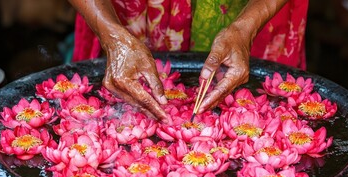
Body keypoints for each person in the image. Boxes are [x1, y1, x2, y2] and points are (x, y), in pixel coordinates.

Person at [67, 0, 308, 122]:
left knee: (267, 112)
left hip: (255, 7)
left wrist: (248, 27)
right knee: (118, 105)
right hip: (131, 11)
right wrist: (110, 33)